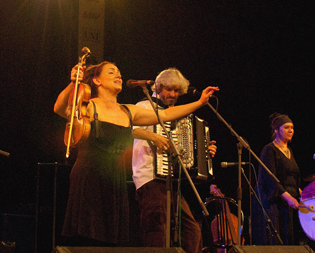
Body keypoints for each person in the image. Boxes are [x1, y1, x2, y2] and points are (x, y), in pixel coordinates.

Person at [53, 61, 218, 246]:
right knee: (86, 239)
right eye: (111, 72)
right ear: (97, 81)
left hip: (115, 179)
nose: (118, 75)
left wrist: (199, 102)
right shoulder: (89, 107)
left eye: (119, 72)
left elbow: (165, 115)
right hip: (89, 177)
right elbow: (60, 109)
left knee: (110, 242)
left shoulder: (128, 111)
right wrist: (73, 83)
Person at [132, 67, 217, 253]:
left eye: (177, 91)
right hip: (149, 177)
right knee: (157, 231)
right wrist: (153, 136)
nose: (173, 94)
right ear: (158, 87)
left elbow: (187, 147)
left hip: (171, 182)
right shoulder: (143, 106)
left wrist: (203, 152)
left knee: (192, 231)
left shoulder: (175, 112)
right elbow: (129, 129)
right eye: (169, 89)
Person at [255, 112, 303, 245]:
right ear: (276, 130)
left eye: (292, 127)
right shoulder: (269, 150)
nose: (291, 130)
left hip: (289, 203)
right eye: (286, 127)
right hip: (275, 204)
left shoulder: (289, 151)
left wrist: (301, 193)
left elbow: (291, 178)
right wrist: (288, 198)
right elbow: (270, 179)